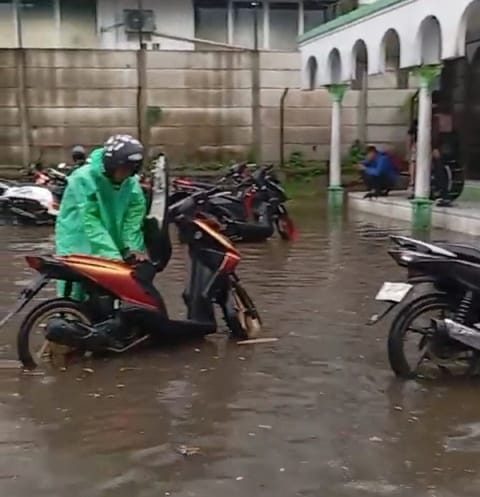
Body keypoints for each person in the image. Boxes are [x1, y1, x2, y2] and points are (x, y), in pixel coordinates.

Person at [55, 134, 148, 301]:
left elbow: (133, 219)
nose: (126, 174)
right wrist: (113, 258)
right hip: (79, 241)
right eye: (123, 169)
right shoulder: (83, 179)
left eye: (130, 170)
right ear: (112, 165)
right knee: (75, 296)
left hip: (112, 242)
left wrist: (133, 248)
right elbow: (90, 222)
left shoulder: (131, 183)